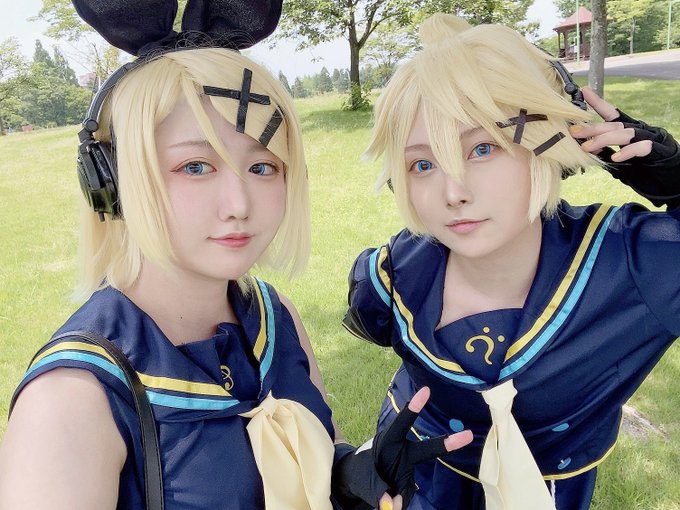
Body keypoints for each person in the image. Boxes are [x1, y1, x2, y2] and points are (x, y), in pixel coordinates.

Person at [0, 2, 473, 509]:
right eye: (195, 166)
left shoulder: (274, 316)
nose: (239, 204)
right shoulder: (70, 400)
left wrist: (346, 474)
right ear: (113, 183)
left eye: (263, 167)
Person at [343, 13, 680, 510]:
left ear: (547, 144)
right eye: (423, 163)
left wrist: (673, 180)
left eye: (482, 148)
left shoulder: (633, 267)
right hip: (416, 483)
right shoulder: (394, 276)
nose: (453, 193)